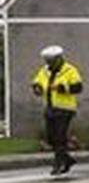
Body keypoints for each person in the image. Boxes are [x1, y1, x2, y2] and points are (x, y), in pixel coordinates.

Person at [30, 46, 83, 176]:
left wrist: (63, 88)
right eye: (47, 60)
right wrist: (37, 88)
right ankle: (67, 160)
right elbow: (37, 82)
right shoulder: (44, 71)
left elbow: (78, 87)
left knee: (60, 137)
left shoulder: (70, 70)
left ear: (59, 59)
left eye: (51, 60)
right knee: (50, 138)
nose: (48, 63)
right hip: (49, 108)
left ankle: (58, 164)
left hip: (65, 109)